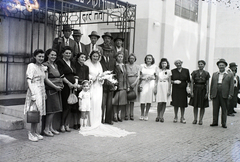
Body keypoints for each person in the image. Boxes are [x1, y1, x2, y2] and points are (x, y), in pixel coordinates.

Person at [79, 50, 134, 137]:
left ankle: (97, 121)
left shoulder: (99, 64)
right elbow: (86, 75)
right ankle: (89, 122)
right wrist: (92, 78)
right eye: (94, 56)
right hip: (91, 86)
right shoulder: (87, 63)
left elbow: (101, 74)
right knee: (92, 103)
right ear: (91, 56)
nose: (95, 58)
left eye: (97, 56)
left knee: (98, 104)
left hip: (99, 87)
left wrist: (101, 79)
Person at [24, 49, 46, 142]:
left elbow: (43, 81)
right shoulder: (31, 66)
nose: (41, 58)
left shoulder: (42, 67)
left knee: (39, 113)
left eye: (42, 56)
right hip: (34, 89)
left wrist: (44, 93)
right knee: (34, 112)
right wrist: (32, 94)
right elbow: (29, 80)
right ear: (35, 57)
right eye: (39, 56)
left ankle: (35, 132)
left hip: (41, 90)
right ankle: (31, 132)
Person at [56, 46, 78, 132]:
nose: (68, 54)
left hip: (73, 86)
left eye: (70, 53)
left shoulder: (72, 62)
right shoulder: (60, 62)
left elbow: (75, 74)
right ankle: (62, 125)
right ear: (62, 54)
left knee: (71, 105)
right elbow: (61, 75)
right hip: (65, 86)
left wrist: (75, 83)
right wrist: (69, 83)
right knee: (65, 105)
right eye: (66, 53)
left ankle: (67, 124)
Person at [43, 49, 63, 137]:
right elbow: (46, 79)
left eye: (55, 55)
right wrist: (55, 87)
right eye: (52, 55)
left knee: (54, 110)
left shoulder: (55, 65)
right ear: (47, 55)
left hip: (57, 89)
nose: (53, 57)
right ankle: (46, 129)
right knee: (51, 110)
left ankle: (50, 127)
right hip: (51, 90)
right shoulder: (45, 65)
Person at [210, 59, 234, 128]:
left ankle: (223, 123)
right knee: (215, 109)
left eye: (222, 65)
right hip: (216, 92)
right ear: (218, 66)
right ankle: (214, 122)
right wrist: (211, 93)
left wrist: (230, 94)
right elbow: (212, 84)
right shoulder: (215, 74)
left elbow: (231, 85)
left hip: (225, 93)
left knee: (224, 109)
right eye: (220, 65)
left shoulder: (229, 74)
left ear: (225, 66)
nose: (221, 67)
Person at [189, 60, 210, 125]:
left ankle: (200, 119)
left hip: (203, 89)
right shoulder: (194, 72)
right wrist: (191, 91)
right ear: (198, 65)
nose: (200, 65)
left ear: (204, 65)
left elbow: (207, 83)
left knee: (202, 105)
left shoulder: (206, 73)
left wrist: (207, 92)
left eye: (202, 64)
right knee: (195, 105)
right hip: (196, 89)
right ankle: (195, 119)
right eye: (199, 64)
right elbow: (192, 83)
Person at [100, 45, 116, 125]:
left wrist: (114, 82)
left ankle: (108, 119)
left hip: (111, 84)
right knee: (102, 103)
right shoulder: (100, 60)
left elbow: (115, 71)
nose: (107, 53)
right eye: (106, 51)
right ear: (103, 51)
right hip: (103, 83)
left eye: (109, 51)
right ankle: (101, 118)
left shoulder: (113, 60)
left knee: (109, 103)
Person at [73, 53, 89, 129]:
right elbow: (74, 76)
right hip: (76, 86)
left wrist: (84, 86)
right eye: (81, 57)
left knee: (83, 106)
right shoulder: (75, 66)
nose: (83, 58)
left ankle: (81, 123)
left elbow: (87, 78)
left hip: (83, 88)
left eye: (84, 57)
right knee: (76, 105)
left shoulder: (86, 67)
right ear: (78, 58)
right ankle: (75, 122)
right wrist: (77, 85)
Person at [171, 59, 191, 124]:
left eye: (179, 63)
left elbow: (188, 80)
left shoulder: (186, 70)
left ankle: (182, 117)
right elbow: (170, 80)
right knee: (175, 103)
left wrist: (188, 87)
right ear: (175, 65)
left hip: (183, 89)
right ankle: (175, 116)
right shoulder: (173, 71)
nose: (178, 64)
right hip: (176, 89)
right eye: (176, 63)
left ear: (181, 63)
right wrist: (174, 81)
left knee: (182, 104)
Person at [139, 54, 158, 121]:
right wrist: (143, 79)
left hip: (151, 84)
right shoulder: (142, 66)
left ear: (152, 60)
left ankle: (146, 114)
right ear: (145, 59)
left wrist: (151, 77)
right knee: (142, 99)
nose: (148, 60)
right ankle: (141, 114)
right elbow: (139, 76)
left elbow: (156, 77)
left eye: (150, 59)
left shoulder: (155, 67)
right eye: (147, 58)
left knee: (149, 100)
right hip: (143, 83)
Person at [113, 52, 129, 122]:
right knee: (115, 102)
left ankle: (119, 114)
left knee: (121, 102)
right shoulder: (114, 66)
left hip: (123, 86)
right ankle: (115, 115)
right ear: (116, 57)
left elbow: (126, 76)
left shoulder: (124, 66)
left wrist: (127, 86)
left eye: (121, 57)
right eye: (119, 56)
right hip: (117, 86)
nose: (120, 58)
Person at [155, 58, 171, 123]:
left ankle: (162, 116)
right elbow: (156, 80)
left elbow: (169, 81)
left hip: (166, 85)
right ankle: (158, 115)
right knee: (159, 102)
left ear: (167, 64)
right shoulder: (158, 70)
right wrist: (155, 88)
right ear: (160, 64)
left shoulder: (169, 71)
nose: (163, 64)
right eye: (162, 63)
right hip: (159, 85)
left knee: (164, 101)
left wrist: (169, 90)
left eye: (165, 63)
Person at [125, 54, 140, 120]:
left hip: (134, 84)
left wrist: (134, 83)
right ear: (128, 59)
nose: (131, 60)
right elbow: (125, 75)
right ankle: (126, 114)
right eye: (130, 58)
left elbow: (138, 76)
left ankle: (131, 114)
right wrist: (128, 84)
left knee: (132, 100)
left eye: (133, 58)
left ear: (135, 59)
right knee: (127, 99)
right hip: (127, 83)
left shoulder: (137, 66)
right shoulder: (125, 66)